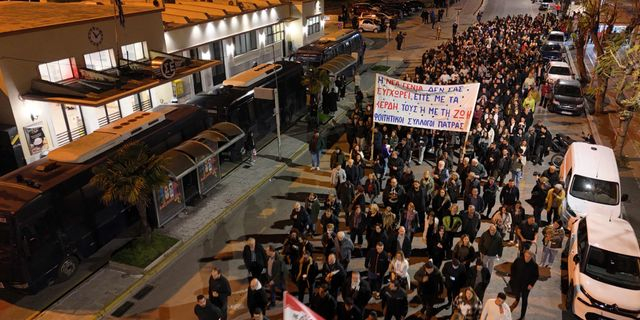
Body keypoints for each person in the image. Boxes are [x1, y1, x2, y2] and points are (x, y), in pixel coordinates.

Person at [509, 250, 539, 319]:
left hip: (526, 286)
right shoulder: (518, 260)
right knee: (517, 293)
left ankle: (522, 316)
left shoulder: (534, 265)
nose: (526, 258)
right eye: (525, 256)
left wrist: (531, 284)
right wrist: (512, 277)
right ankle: (517, 300)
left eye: (528, 257)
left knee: (524, 300)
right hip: (517, 283)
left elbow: (536, 276)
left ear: (531, 257)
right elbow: (513, 267)